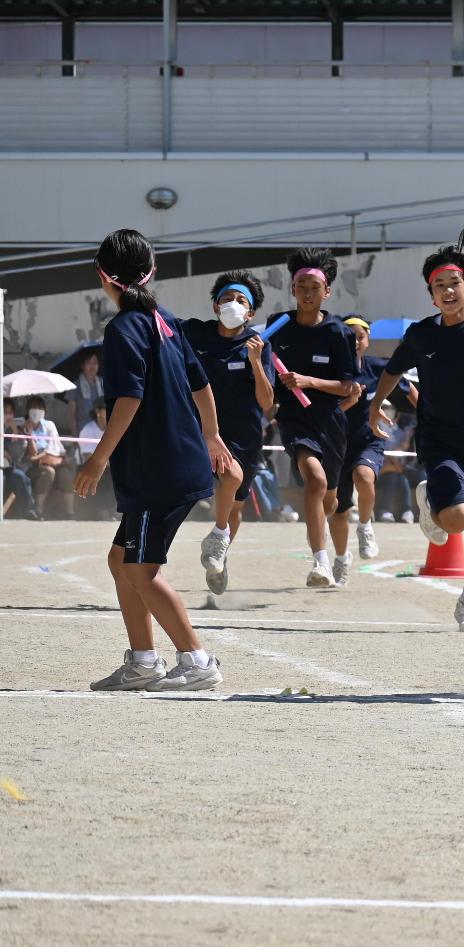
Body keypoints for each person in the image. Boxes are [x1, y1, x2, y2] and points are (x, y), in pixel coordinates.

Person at [76, 228, 234, 693]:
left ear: (103, 276)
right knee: (120, 559)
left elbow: (129, 398)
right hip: (172, 463)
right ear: (152, 271)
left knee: (140, 570)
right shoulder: (164, 320)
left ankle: (197, 661)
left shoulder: (124, 328)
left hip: (156, 471)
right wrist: (211, 435)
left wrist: (97, 460)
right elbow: (201, 384)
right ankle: (144, 661)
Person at [372, 245, 464, 634]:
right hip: (440, 442)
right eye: (438, 285)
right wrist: (375, 405)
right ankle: (432, 500)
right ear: (431, 295)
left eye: (454, 283)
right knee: (458, 519)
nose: (447, 290)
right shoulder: (422, 334)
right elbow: (393, 370)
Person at [266, 249, 359, 589]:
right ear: (293, 289)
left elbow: (348, 387)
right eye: (301, 287)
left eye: (314, 288)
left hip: (330, 421)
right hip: (294, 419)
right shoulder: (278, 325)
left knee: (330, 500)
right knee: (315, 481)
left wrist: (308, 381)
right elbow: (261, 361)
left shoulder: (339, 332)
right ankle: (320, 562)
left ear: (327, 291)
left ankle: (334, 549)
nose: (307, 294)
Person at [180, 270, 277, 594]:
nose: (232, 304)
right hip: (198, 431)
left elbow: (267, 402)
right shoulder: (196, 333)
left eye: (240, 301)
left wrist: (255, 361)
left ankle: (219, 550)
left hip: (244, 437)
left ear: (250, 313)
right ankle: (215, 537)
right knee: (230, 477)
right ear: (215, 306)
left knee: (235, 506)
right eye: (227, 298)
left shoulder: (260, 346)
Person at [329, 315, 388, 575]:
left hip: (368, 439)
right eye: (348, 337)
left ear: (367, 339)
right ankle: (341, 559)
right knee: (339, 511)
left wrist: (430, 416)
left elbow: (408, 388)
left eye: (359, 337)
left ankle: (365, 526)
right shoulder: (330, 371)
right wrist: (349, 402)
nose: (354, 342)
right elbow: (323, 415)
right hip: (337, 445)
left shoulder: (378, 368)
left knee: (364, 476)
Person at [20, 396, 71, 520]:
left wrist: (42, 457)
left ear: (44, 411)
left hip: (51, 461)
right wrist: (29, 434)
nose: (36, 411)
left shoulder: (49, 425)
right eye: (33, 408)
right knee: (48, 472)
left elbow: (55, 447)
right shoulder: (22, 427)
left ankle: (70, 512)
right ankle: (39, 510)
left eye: (39, 408)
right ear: (27, 411)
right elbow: (31, 455)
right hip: (31, 468)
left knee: (65, 473)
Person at [70, 350, 105, 433]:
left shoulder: (104, 383)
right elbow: (72, 414)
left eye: (95, 362)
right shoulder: (75, 386)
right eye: (88, 362)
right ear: (82, 366)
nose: (92, 366)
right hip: (83, 431)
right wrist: (75, 435)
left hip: (103, 430)